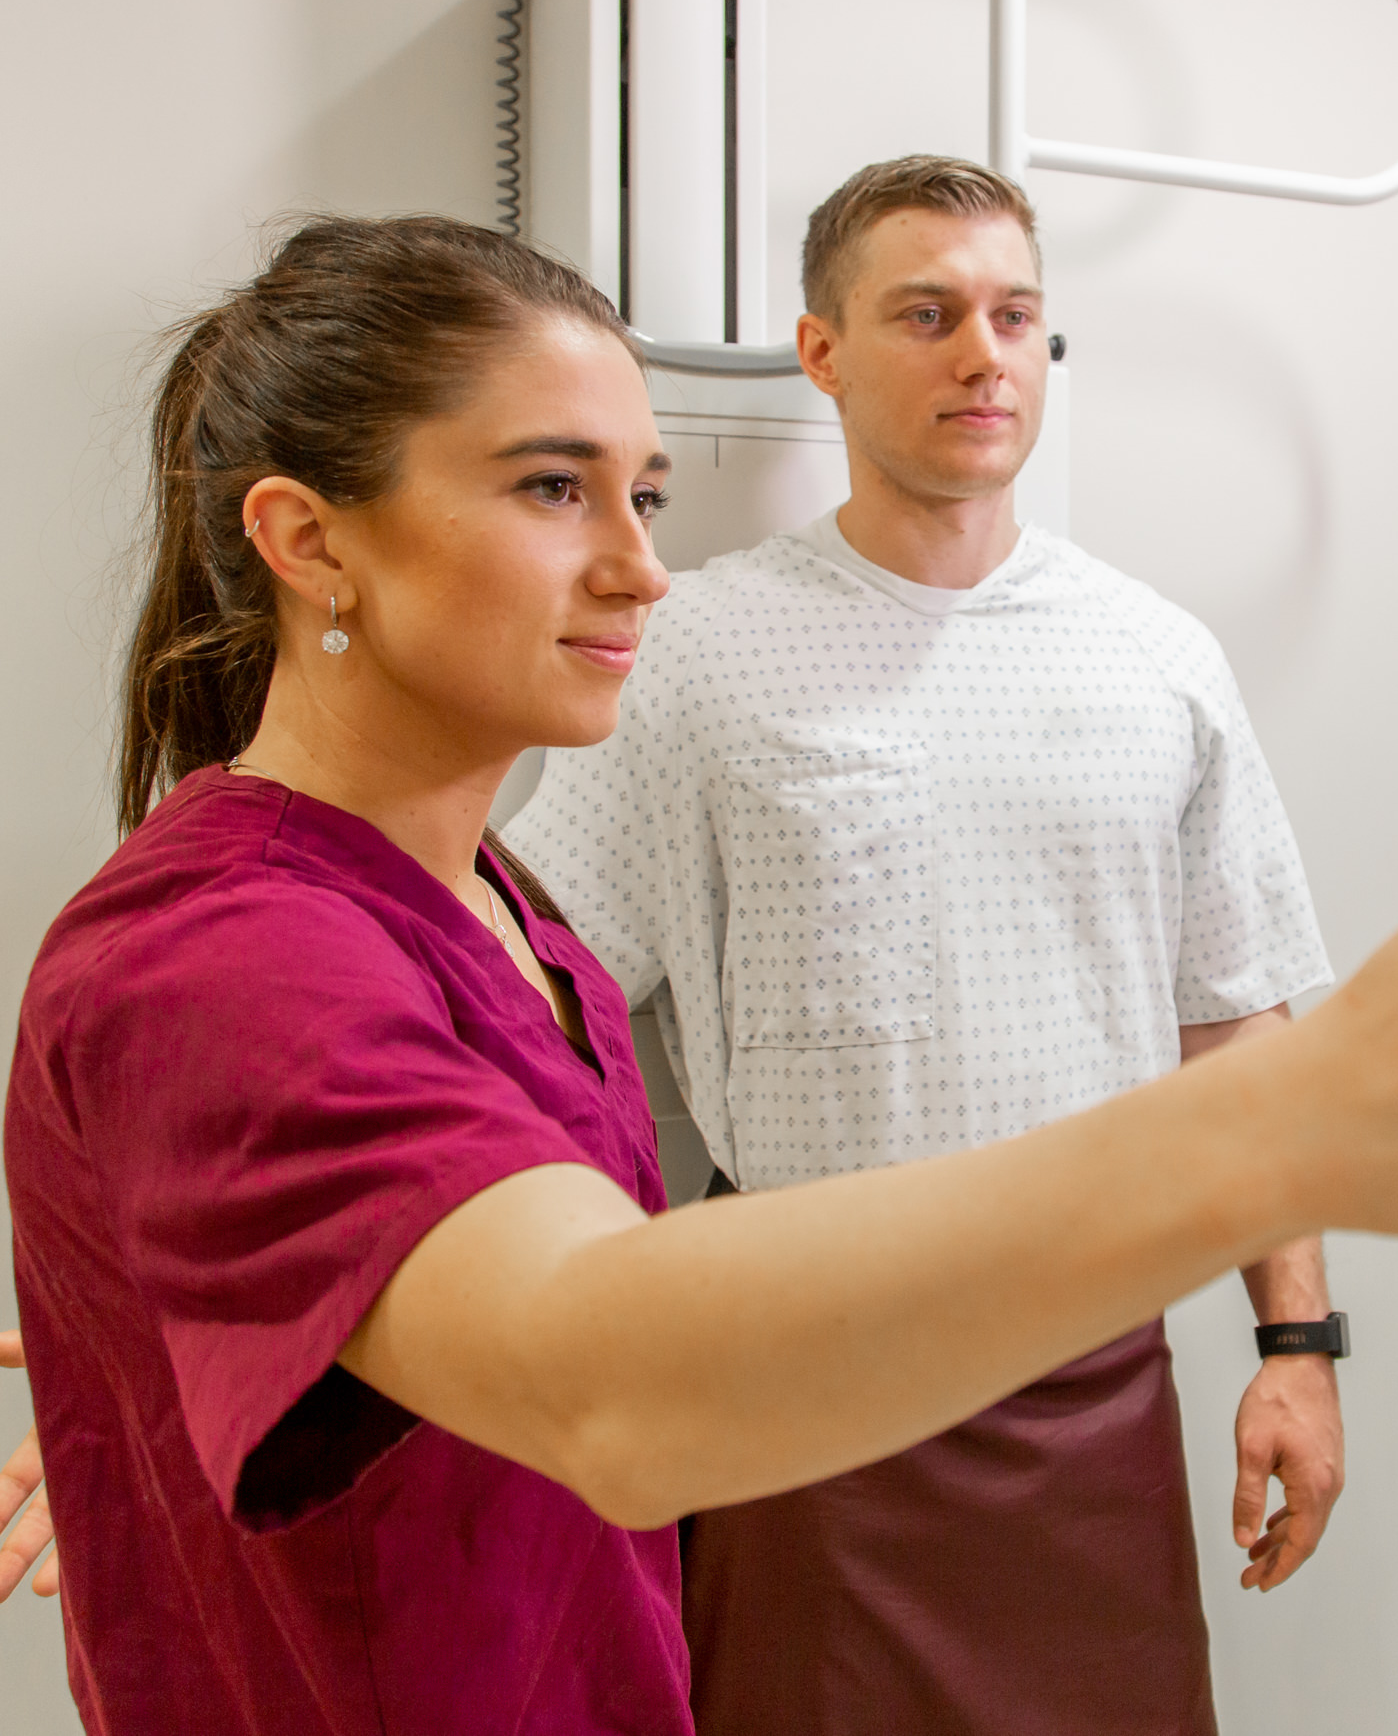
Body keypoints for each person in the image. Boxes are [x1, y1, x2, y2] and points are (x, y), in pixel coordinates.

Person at [0, 210, 1398, 1736]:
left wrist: (249, 1338)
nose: (639, 571)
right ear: (307, 542)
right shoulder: (224, 947)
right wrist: (1297, 1124)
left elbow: (478, 1263)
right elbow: (606, 1373)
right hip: (750, 1469)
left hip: (870, 1499)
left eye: (646, 499)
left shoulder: (511, 929)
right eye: (555, 488)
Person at [501, 155, 1334, 1736]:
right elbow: (524, 999)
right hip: (801, 1379)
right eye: (929, 313)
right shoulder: (695, 650)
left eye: (1016, 316)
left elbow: (1241, 1030)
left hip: (1091, 1378)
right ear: (821, 350)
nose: (984, 355)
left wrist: (1295, 1342)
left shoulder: (1156, 658)